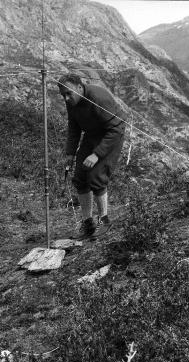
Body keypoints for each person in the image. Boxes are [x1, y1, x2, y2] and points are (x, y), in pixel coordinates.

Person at [58, 73, 126, 239]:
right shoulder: (72, 101)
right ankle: (88, 223)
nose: (66, 98)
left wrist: (96, 155)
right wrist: (70, 153)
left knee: (97, 177)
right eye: (63, 95)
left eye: (69, 94)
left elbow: (117, 128)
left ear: (80, 87)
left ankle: (104, 220)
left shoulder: (98, 98)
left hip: (110, 136)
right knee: (80, 177)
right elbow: (74, 127)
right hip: (91, 135)